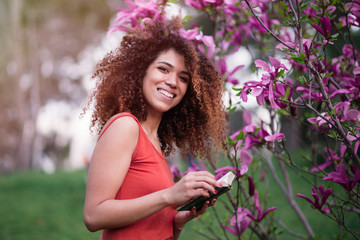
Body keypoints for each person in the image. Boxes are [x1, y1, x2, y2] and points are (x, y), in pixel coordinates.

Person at [83, 18, 227, 240]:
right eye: (163, 69)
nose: (172, 82)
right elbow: (94, 216)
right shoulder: (125, 126)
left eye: (183, 78)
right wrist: (170, 195)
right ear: (142, 71)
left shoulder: (155, 142)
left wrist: (175, 223)